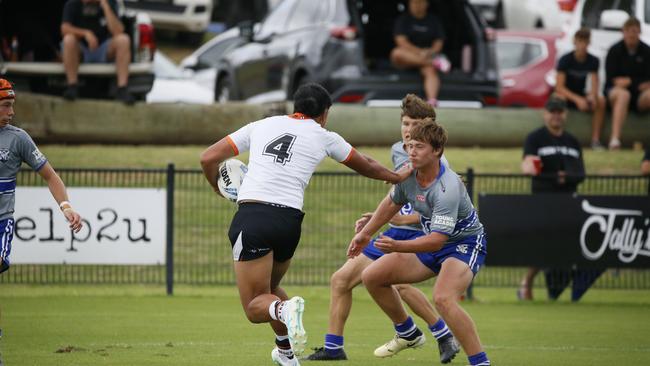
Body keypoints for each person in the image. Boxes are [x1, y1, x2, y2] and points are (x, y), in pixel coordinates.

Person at [199, 83, 413, 366]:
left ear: (295, 107)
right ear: (324, 114)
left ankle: (286, 309)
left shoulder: (261, 125)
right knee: (270, 290)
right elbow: (367, 164)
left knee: (255, 308)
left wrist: (217, 186)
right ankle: (286, 353)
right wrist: (397, 177)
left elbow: (207, 157)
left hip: (253, 217)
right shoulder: (325, 136)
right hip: (289, 222)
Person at [305, 95, 459, 363]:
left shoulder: (437, 164)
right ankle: (334, 348)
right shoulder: (399, 149)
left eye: (415, 123)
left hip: (419, 234)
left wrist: (405, 219)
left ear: (431, 128)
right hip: (397, 232)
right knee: (341, 280)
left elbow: (440, 214)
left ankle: (436, 333)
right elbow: (401, 195)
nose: (408, 129)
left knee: (395, 282)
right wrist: (376, 218)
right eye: (405, 122)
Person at [347, 120, 491, 366]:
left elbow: (436, 241)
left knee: (443, 298)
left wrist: (397, 246)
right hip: (433, 240)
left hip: (463, 244)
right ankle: (407, 332)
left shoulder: (447, 188)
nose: (411, 151)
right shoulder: (407, 173)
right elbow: (391, 204)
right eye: (409, 145)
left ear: (437, 151)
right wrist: (366, 234)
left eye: (419, 146)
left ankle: (480, 362)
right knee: (372, 277)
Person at [0, 78, 83, 366]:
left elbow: (50, 175)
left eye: (12, 105)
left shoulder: (18, 139)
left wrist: (66, 206)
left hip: (1, 222)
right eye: (6, 105)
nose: (11, 112)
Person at [518, 96, 603, 301]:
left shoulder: (572, 141)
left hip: (570, 202)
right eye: (552, 111)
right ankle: (526, 283)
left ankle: (566, 290)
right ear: (545, 114)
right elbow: (527, 165)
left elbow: (581, 172)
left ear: (565, 114)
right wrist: (532, 167)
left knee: (571, 245)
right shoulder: (535, 138)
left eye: (560, 111)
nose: (556, 115)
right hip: (543, 201)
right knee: (543, 246)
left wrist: (567, 176)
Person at [61, 0, 135, 104]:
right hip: (82, 49)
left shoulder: (111, 3)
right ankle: (72, 86)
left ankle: (122, 88)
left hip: (104, 49)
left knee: (123, 40)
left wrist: (105, 6)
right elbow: (64, 29)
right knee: (68, 40)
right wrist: (85, 34)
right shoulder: (72, 4)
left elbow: (118, 31)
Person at [555, 28, 606, 150]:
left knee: (601, 101)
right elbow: (559, 87)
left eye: (585, 42)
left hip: (582, 94)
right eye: (580, 42)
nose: (582, 46)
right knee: (558, 99)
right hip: (568, 95)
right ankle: (558, 138)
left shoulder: (593, 60)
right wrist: (577, 100)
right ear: (574, 42)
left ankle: (595, 140)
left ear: (589, 43)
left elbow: (594, 83)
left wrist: (592, 97)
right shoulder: (565, 60)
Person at [390, 0, 448, 106]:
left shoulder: (434, 20)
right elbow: (401, 42)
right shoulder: (403, 19)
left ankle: (432, 101)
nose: (416, 5)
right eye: (414, 3)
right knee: (396, 53)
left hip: (428, 56)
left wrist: (430, 51)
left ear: (427, 4)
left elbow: (439, 42)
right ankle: (434, 63)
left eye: (419, 2)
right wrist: (420, 52)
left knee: (430, 71)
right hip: (408, 57)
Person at [604, 17, 650, 150]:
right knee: (623, 95)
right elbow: (612, 80)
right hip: (615, 94)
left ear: (639, 32)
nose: (631, 34)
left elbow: (647, 80)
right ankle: (615, 139)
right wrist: (637, 83)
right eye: (628, 31)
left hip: (639, 96)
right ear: (622, 32)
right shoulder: (614, 50)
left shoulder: (646, 51)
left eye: (634, 31)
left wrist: (629, 81)